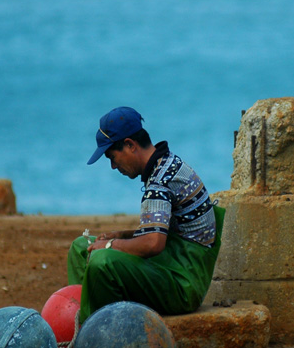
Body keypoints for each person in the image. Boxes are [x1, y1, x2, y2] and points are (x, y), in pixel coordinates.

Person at [67, 106, 224, 325]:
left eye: (113, 157)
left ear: (130, 145)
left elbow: (153, 244)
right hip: (169, 261)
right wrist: (124, 235)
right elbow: (163, 232)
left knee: (101, 261)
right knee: (81, 247)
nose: (113, 166)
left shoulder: (160, 180)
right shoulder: (165, 164)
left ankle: (93, 331)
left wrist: (111, 244)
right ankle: (76, 318)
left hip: (183, 281)